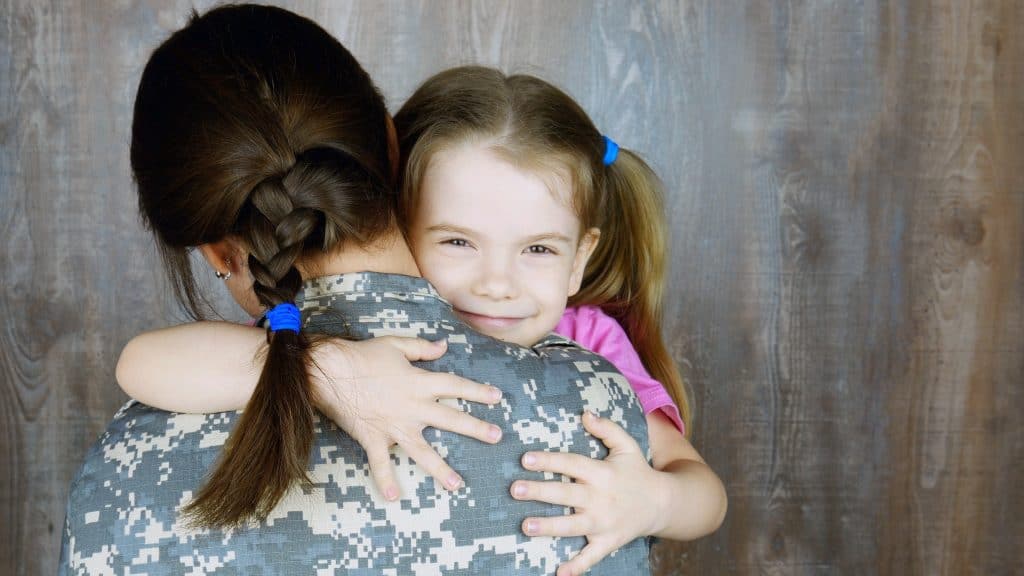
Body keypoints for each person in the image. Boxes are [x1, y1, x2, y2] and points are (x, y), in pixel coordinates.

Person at [59, 5, 651, 574]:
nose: (497, 285)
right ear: (394, 152)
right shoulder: (599, 416)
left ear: (214, 249)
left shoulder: (122, 466)